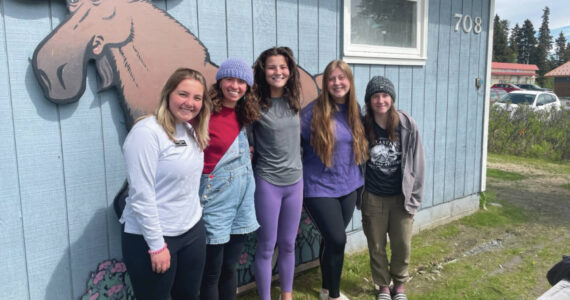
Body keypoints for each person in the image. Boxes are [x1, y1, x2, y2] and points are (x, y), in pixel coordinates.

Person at [120, 68, 211, 300]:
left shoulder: (190, 130)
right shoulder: (147, 133)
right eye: (183, 94)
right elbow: (141, 195)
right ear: (168, 94)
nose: (190, 103)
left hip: (191, 231)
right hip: (153, 237)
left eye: (197, 98)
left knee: (189, 295)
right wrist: (157, 246)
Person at [300, 60, 369, 300]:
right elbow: (292, 145)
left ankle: (326, 289)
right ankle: (335, 296)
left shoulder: (354, 110)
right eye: (332, 78)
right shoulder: (311, 113)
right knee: (338, 240)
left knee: (331, 240)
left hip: (349, 186)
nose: (337, 83)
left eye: (342, 78)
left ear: (349, 81)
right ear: (325, 83)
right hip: (319, 188)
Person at [199, 58, 260, 300]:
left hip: (242, 199)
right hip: (214, 198)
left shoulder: (246, 114)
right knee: (211, 272)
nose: (235, 86)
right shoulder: (204, 113)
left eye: (241, 81)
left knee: (229, 267)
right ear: (220, 81)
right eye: (230, 79)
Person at [360, 76, 425, 300]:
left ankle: (399, 285)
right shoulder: (363, 125)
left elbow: (418, 163)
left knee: (402, 244)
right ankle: (383, 287)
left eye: (385, 95)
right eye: (375, 96)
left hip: (401, 197)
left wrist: (414, 198)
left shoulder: (406, 125)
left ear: (392, 98)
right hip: (373, 196)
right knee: (376, 245)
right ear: (369, 101)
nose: (380, 100)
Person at [250, 47, 303, 300]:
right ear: (263, 71)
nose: (278, 72)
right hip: (268, 183)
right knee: (266, 247)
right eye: (272, 67)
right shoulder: (254, 105)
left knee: (289, 244)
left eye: (283, 67)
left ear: (290, 71)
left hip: (296, 182)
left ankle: (287, 295)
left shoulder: (295, 101)